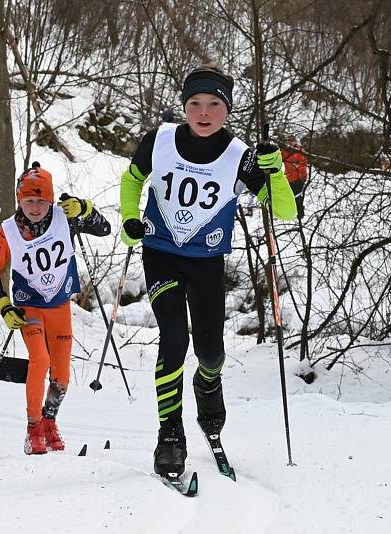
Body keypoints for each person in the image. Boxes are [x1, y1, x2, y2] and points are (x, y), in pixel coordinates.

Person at [119, 65, 297, 478]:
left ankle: (208, 384)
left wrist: (276, 171)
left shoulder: (240, 156)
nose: (203, 112)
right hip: (161, 253)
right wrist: (131, 220)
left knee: (210, 352)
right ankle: (170, 435)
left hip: (206, 260)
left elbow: (284, 209)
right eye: (195, 103)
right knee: (174, 337)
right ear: (184, 106)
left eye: (214, 104)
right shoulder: (160, 140)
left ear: (226, 109)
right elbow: (132, 181)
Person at [0, 163, 111, 454]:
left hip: (60, 306)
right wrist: (4, 306)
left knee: (62, 373)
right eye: (29, 201)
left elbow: (105, 229)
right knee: (39, 360)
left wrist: (84, 208)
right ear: (19, 199)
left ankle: (49, 421)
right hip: (29, 306)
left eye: (42, 200)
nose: (36, 207)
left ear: (51, 199)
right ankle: (33, 428)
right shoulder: (7, 231)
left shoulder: (65, 218)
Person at [282, 135, 308, 218]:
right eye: (287, 141)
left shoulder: (300, 150)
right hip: (289, 178)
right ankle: (292, 212)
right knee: (290, 196)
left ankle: (300, 213)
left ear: (295, 141)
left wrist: (296, 165)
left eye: (291, 140)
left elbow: (303, 162)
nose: (289, 142)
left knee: (298, 197)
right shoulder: (284, 151)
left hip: (299, 177)